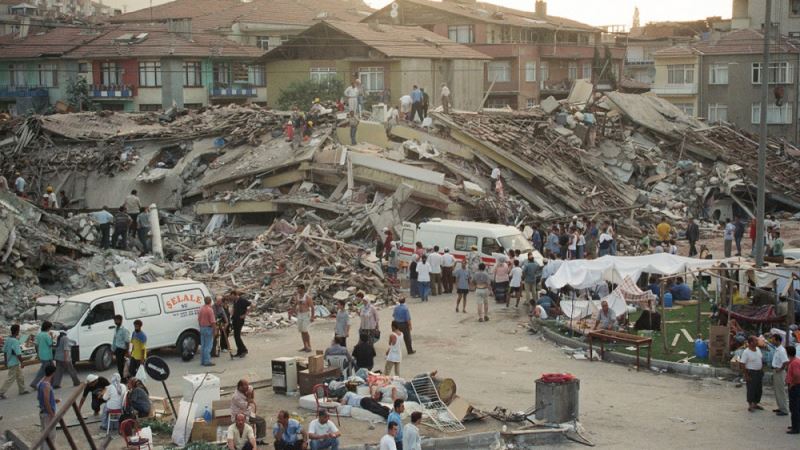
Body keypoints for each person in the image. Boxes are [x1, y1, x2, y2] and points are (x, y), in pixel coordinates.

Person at [0, 324, 29, 399]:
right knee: (10, 378)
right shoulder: (15, 341)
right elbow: (18, 353)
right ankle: (1, 392)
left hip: (11, 361)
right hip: (14, 362)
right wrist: (22, 362)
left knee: (20, 376)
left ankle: (22, 390)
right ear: (17, 331)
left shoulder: (8, 339)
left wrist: (6, 361)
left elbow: (5, 351)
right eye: (18, 330)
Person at [740, 336, 764, 412]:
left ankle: (755, 403)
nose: (757, 342)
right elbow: (742, 364)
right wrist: (746, 375)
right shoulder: (746, 352)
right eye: (755, 341)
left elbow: (760, 359)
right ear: (750, 343)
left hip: (759, 372)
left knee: (759, 389)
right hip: (751, 372)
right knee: (751, 389)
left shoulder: (758, 349)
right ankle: (750, 405)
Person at [37, 365, 57, 450]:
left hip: (43, 412)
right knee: (50, 436)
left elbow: (39, 397)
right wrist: (52, 414)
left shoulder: (40, 383)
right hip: (47, 413)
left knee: (45, 434)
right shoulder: (47, 386)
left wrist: (53, 400)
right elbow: (46, 401)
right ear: (53, 373)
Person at [30, 321, 55, 390]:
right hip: (47, 355)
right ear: (48, 328)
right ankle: (34, 383)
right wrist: (52, 337)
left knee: (50, 369)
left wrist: (38, 353)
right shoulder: (46, 335)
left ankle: (53, 383)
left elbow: (36, 345)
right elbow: (50, 344)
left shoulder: (39, 335)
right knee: (44, 370)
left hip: (42, 355)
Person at [290, 284, 315, 353]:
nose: (298, 290)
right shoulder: (297, 297)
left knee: (305, 331)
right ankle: (305, 346)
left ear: (303, 289)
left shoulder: (307, 297)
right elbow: (295, 305)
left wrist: (312, 317)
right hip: (299, 315)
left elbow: (312, 307)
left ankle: (309, 346)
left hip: (305, 315)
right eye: (297, 289)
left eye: (299, 289)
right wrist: (291, 312)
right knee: (301, 331)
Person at [770, 334, 790, 416]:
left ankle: (784, 410)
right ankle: (780, 407)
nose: (772, 341)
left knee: (780, 391)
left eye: (773, 340)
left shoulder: (781, 350)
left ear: (777, 340)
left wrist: (780, 369)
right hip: (776, 371)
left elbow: (786, 362)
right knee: (777, 391)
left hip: (779, 372)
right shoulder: (777, 349)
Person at [232, 292, 251, 357]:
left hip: (240, 320)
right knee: (235, 336)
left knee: (237, 336)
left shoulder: (242, 300)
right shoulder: (235, 301)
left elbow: (251, 306)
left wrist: (245, 315)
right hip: (235, 319)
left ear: (236, 295)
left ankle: (244, 350)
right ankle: (239, 351)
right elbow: (234, 308)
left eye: (233, 296)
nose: (232, 298)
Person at [198, 296, 216, 367]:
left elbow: (199, 319)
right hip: (208, 328)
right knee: (208, 346)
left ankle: (202, 360)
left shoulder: (201, 308)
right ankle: (207, 361)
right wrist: (214, 330)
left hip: (202, 327)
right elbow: (213, 322)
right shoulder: (210, 310)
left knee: (203, 345)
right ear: (210, 301)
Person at [786, 345, 800, 434]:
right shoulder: (795, 361)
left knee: (794, 407)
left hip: (795, 387)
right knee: (796, 407)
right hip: (796, 386)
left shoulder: (794, 362)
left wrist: (792, 384)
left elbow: (797, 375)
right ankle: (796, 425)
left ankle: (796, 428)